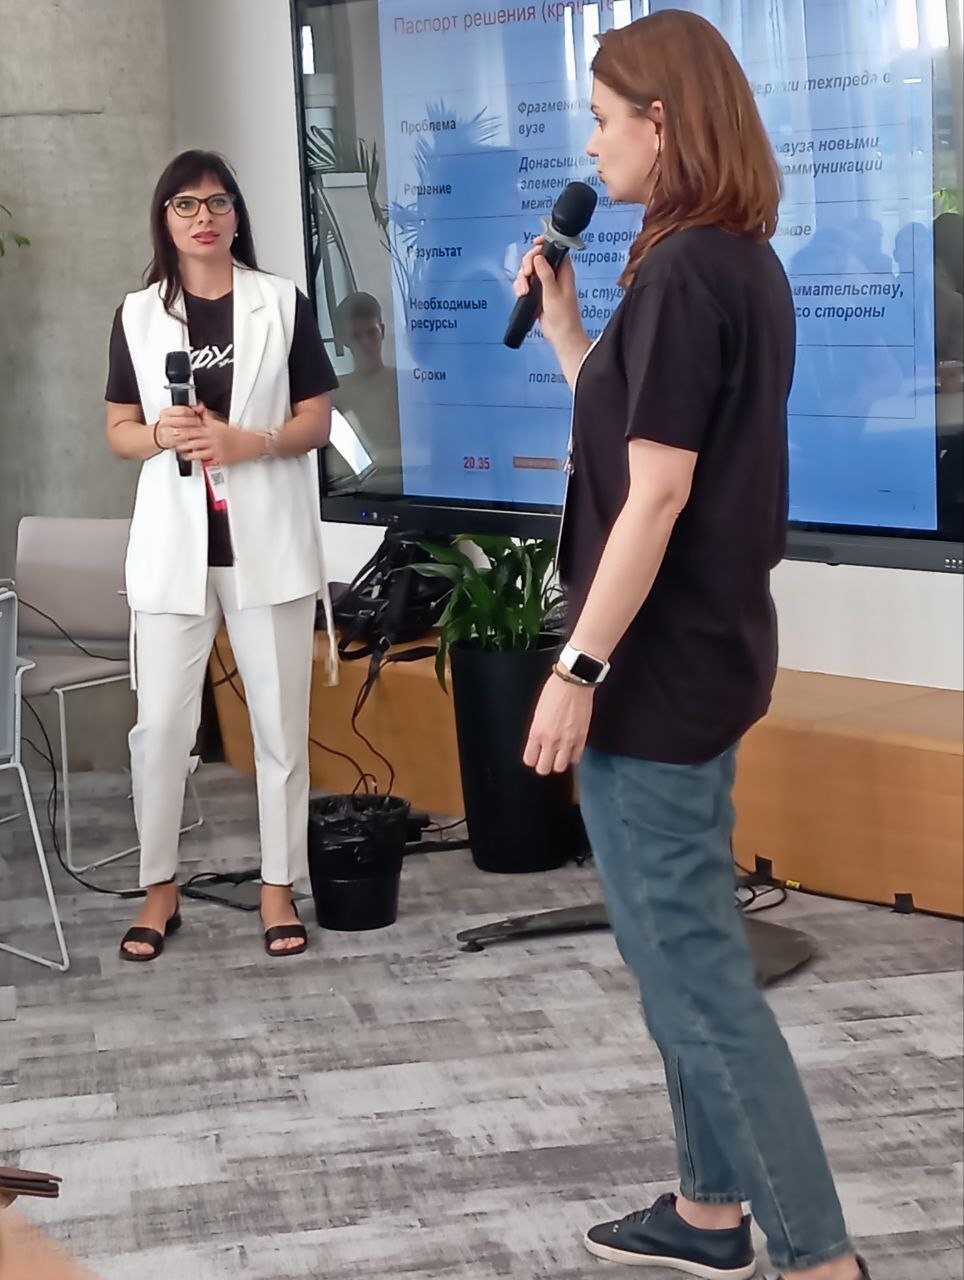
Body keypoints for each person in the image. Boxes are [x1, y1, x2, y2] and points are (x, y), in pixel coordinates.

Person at [518, 13, 869, 1280]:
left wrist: (577, 665)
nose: (591, 146)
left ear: (660, 122)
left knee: (695, 978)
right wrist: (569, 337)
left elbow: (656, 495)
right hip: (705, 657)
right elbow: (645, 445)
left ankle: (820, 1259)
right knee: (678, 951)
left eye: (603, 120)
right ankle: (708, 1207)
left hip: (655, 672)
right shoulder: (731, 261)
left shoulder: (679, 276)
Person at [106, 150, 338, 961]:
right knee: (162, 729)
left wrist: (254, 442)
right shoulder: (139, 314)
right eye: (184, 204)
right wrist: (156, 433)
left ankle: (278, 886)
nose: (202, 217)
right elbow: (118, 429)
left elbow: (318, 420)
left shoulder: (281, 302)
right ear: (164, 220)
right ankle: (159, 888)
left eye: (216, 202)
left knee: (279, 727)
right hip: (174, 550)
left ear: (237, 215)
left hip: (264, 544)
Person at [330, 291, 401, 473]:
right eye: (356, 336)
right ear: (344, 340)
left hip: (407, 483)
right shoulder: (334, 395)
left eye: (371, 332)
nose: (366, 342)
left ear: (382, 331)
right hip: (355, 487)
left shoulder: (408, 385)